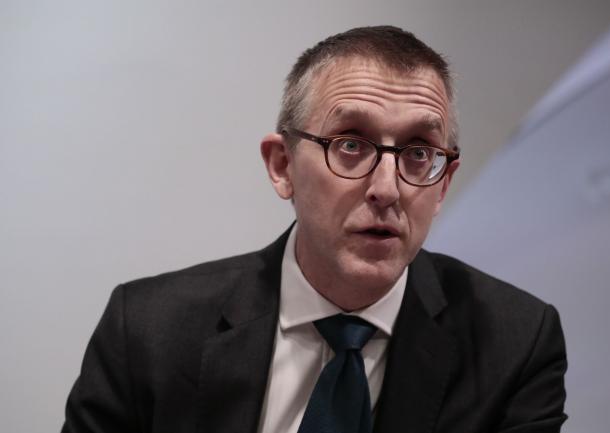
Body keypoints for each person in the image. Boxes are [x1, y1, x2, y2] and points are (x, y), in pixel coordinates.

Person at [62, 26, 567, 433]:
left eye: (418, 153)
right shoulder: (149, 329)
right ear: (283, 166)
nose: (387, 189)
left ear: (442, 184)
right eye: (351, 144)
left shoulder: (516, 342)